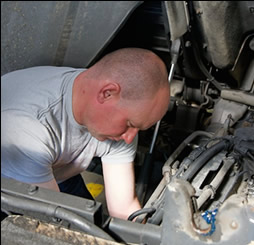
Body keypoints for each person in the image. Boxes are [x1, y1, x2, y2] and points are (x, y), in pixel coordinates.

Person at [1, 48, 170, 220]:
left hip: (54, 172)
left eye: (138, 128)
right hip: (9, 179)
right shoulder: (27, 126)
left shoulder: (121, 117)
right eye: (130, 124)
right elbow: (51, 221)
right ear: (107, 93)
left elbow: (124, 208)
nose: (130, 137)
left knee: (93, 223)